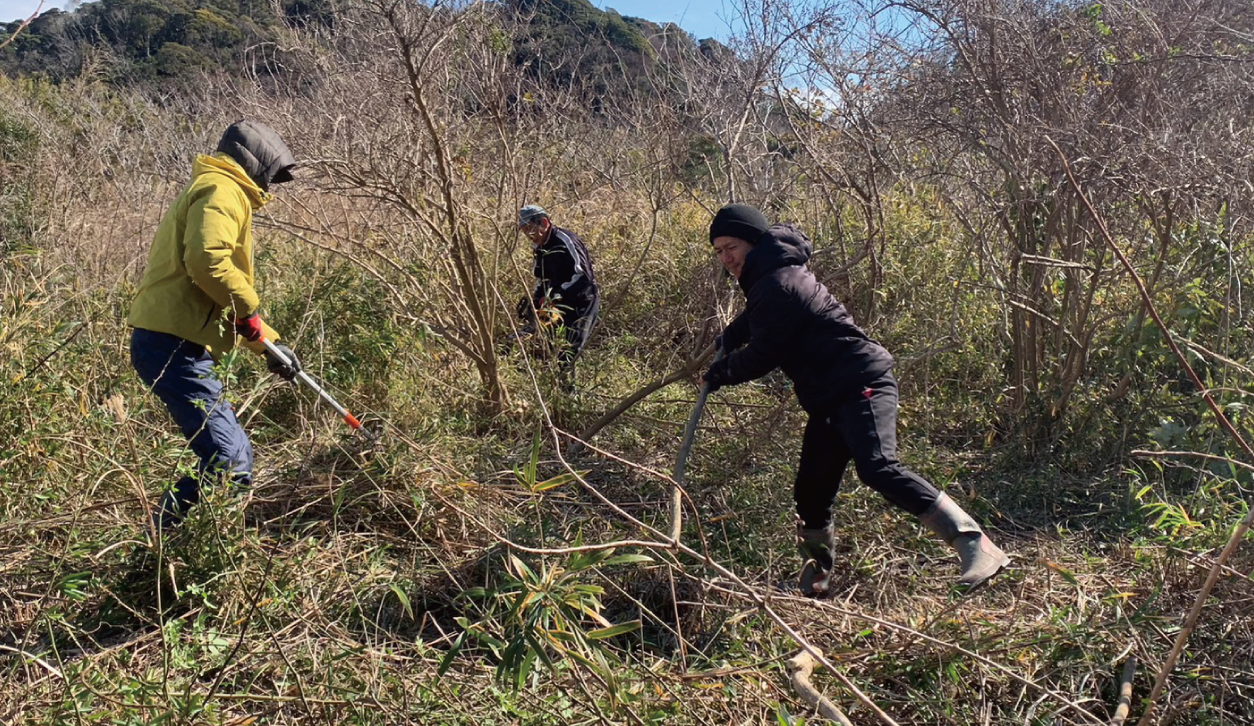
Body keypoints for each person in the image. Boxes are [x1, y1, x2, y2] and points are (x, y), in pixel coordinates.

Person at [701, 203, 1010, 595]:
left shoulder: (776, 282)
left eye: (732, 247)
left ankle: (975, 544)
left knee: (878, 467)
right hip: (830, 397)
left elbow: (765, 352)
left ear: (754, 242)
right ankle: (815, 582)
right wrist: (732, 334)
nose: (726, 258)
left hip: (860, 383)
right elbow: (763, 318)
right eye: (719, 251)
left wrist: (721, 372)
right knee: (811, 493)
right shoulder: (773, 276)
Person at [127, 119, 301, 532]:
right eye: (271, 174)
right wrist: (248, 303)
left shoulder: (218, 187)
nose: (271, 185)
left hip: (175, 340)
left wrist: (269, 345)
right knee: (229, 460)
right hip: (171, 344)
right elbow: (208, 263)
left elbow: (221, 302)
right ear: (255, 163)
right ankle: (163, 547)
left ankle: (171, 542)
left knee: (227, 458)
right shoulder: (223, 190)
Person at [515, 204, 599, 379]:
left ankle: (569, 390)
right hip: (556, 303)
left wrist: (554, 296)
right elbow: (541, 278)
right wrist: (535, 301)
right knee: (544, 343)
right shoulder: (539, 247)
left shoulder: (566, 241)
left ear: (544, 223)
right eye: (524, 231)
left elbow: (583, 276)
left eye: (529, 229)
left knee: (570, 349)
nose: (528, 235)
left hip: (582, 302)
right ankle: (548, 386)